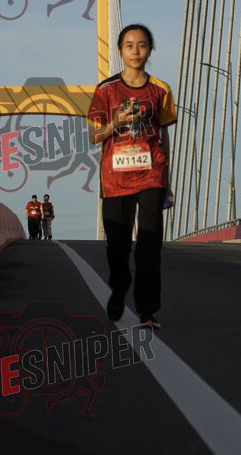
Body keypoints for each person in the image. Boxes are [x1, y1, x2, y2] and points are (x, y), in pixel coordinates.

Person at [86, 24, 176, 330]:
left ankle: (147, 311)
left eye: (142, 45)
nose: (135, 51)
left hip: (152, 174)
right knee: (118, 247)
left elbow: (164, 135)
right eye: (129, 45)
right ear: (120, 51)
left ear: (150, 50)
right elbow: (94, 135)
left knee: (150, 245)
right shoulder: (105, 90)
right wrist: (114, 123)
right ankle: (120, 286)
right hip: (116, 178)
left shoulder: (161, 90)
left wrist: (168, 179)